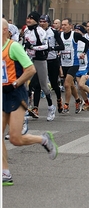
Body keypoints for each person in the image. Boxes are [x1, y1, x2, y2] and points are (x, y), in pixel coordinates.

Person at [2, 18, 58, 186]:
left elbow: (31, 69)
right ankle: (5, 173)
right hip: (2, 94)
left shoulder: (13, 47)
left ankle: (43, 140)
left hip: (16, 93)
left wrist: (15, 84)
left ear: (4, 30)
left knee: (15, 139)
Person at [23, 11, 56, 121]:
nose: (28, 20)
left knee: (44, 86)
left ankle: (51, 107)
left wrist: (32, 47)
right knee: (25, 85)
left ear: (36, 20)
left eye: (31, 18)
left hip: (40, 59)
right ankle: (27, 108)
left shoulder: (40, 31)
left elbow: (45, 46)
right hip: (29, 59)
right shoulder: (26, 30)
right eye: (28, 18)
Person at [59, 18, 89, 114]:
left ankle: (66, 105)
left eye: (65, 25)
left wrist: (84, 53)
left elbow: (87, 42)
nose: (63, 27)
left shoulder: (75, 35)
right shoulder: (60, 35)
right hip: (64, 63)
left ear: (70, 26)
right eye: (62, 25)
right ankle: (78, 100)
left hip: (74, 63)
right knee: (71, 86)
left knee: (67, 84)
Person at [39, 15, 65, 114]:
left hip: (52, 60)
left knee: (54, 84)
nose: (42, 23)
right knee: (39, 84)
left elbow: (62, 46)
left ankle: (59, 99)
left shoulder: (53, 32)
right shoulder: (37, 32)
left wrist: (52, 48)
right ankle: (37, 106)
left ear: (48, 23)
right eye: (40, 21)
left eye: (44, 21)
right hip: (41, 60)